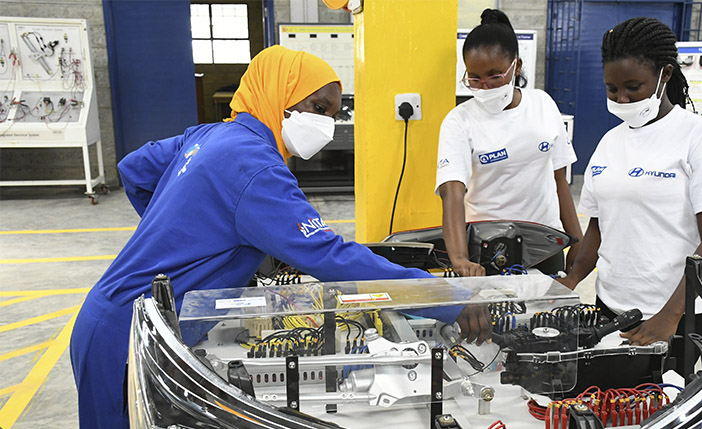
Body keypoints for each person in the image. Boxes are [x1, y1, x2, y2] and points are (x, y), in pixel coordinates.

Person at [69, 45, 491, 429]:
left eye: (333, 113)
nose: (326, 124)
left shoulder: (210, 135)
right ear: (279, 95)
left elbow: (134, 170)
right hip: (128, 338)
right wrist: (446, 298)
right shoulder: (256, 168)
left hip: (111, 318)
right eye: (318, 108)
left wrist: (186, 232)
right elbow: (331, 256)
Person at [556, 17, 702, 374]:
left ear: (665, 75)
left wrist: (670, 315)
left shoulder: (701, 137)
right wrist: (573, 277)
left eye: (633, 87)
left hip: (676, 315)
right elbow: (599, 225)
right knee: (609, 400)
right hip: (610, 306)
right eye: (612, 89)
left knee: (663, 400)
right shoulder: (610, 142)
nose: (622, 99)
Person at [436, 9, 583, 277]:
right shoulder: (459, 121)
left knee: (547, 304)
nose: (485, 87)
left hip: (545, 244)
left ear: (516, 66)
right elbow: (452, 191)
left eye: (495, 76)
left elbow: (559, 179)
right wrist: (459, 258)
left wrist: (577, 241)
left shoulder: (543, 104)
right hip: (487, 247)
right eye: (474, 79)